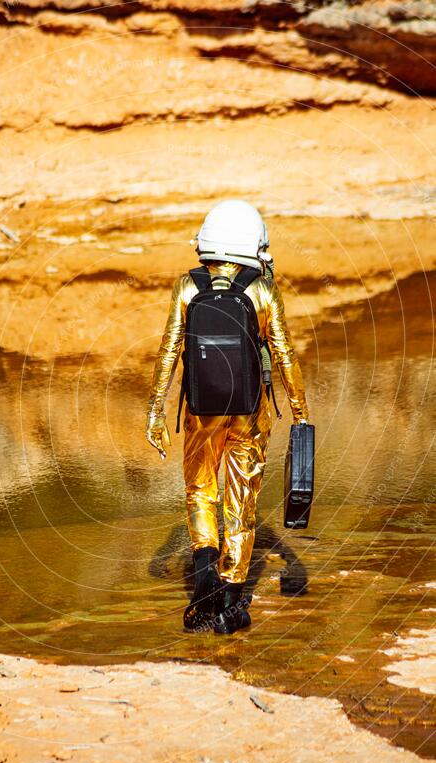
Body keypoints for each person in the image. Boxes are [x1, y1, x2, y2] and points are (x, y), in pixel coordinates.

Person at [146, 200, 309, 634]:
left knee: (201, 491)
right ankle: (231, 597)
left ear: (207, 244)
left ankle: (204, 576)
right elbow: (284, 354)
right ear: (253, 245)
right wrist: (300, 413)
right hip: (250, 414)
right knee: (242, 504)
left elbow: (169, 351)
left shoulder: (187, 286)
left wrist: (154, 410)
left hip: (200, 412)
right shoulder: (262, 289)